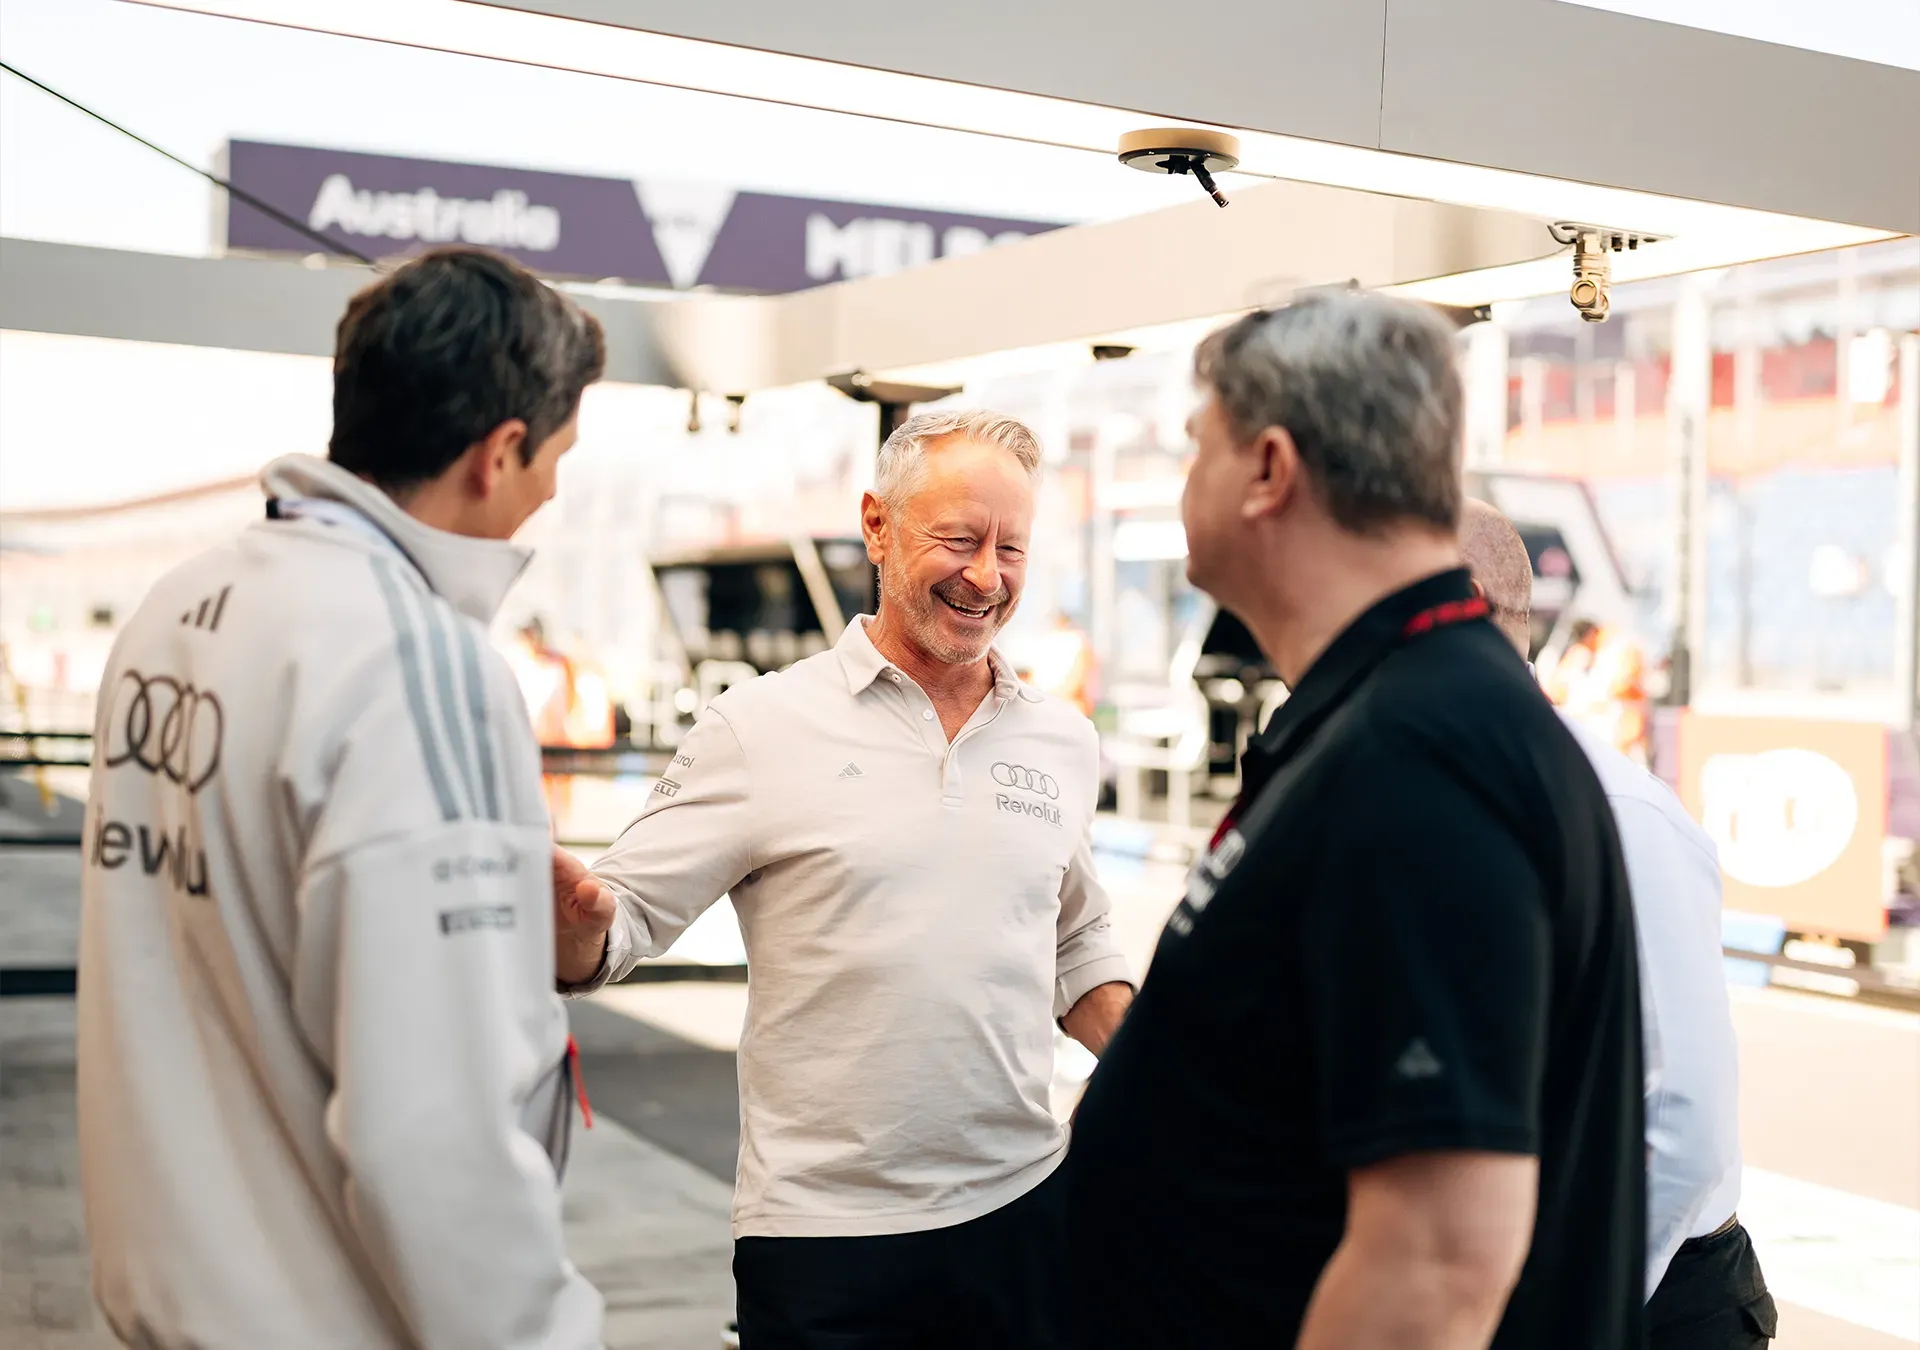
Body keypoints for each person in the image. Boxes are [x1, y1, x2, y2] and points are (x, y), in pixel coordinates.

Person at [1064, 291, 1646, 1349]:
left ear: (1269, 469)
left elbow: (1435, 1264)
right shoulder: (1396, 716)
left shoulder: (1424, 755)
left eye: (1198, 444)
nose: (1184, 478)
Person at [78, 247, 607, 1349]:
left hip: (169, 1301)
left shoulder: (178, 608)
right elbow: (436, 1130)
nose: (553, 491)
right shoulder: (415, 660)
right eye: (557, 456)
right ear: (497, 453)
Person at [553, 408, 1134, 1348]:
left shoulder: (1061, 739)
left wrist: (1168, 1072)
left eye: (1012, 548)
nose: (987, 576)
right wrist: (575, 924)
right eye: (959, 540)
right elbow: (618, 922)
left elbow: (1075, 941)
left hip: (1023, 1210)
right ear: (877, 525)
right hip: (824, 1238)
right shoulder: (759, 728)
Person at [1460, 500, 1776, 1349]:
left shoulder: (1617, 813)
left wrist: (1575, 1306)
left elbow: (1684, 1120)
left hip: (1648, 1300)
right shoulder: (1450, 788)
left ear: (1464, 604)